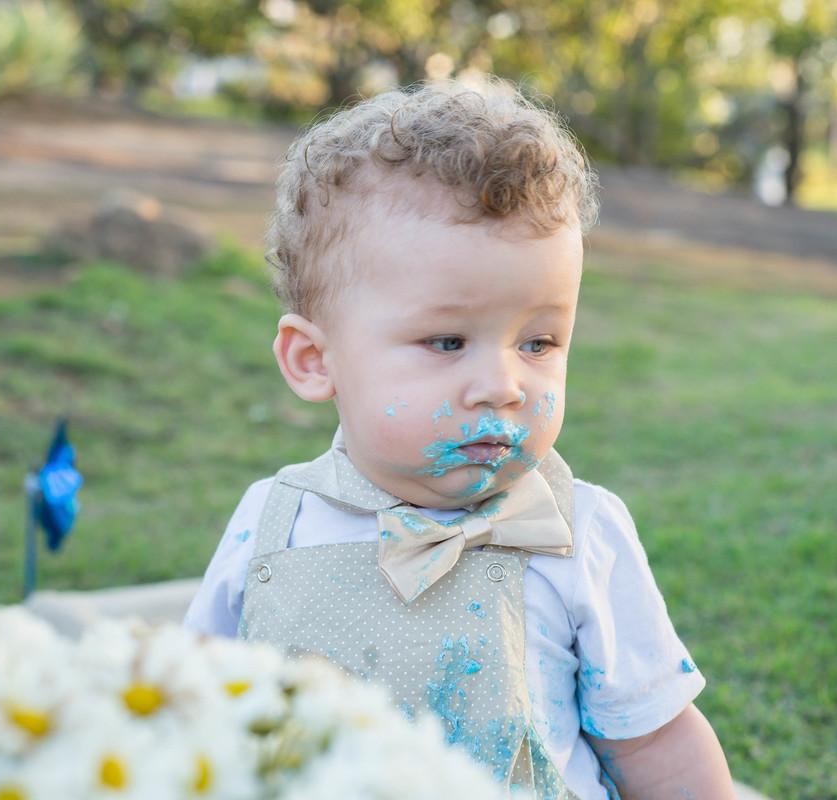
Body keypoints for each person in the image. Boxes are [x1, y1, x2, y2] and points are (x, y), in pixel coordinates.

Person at [183, 77, 737, 800]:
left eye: (539, 341)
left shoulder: (579, 534)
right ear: (316, 362)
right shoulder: (273, 521)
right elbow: (194, 700)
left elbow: (655, 738)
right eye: (447, 341)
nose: (503, 385)